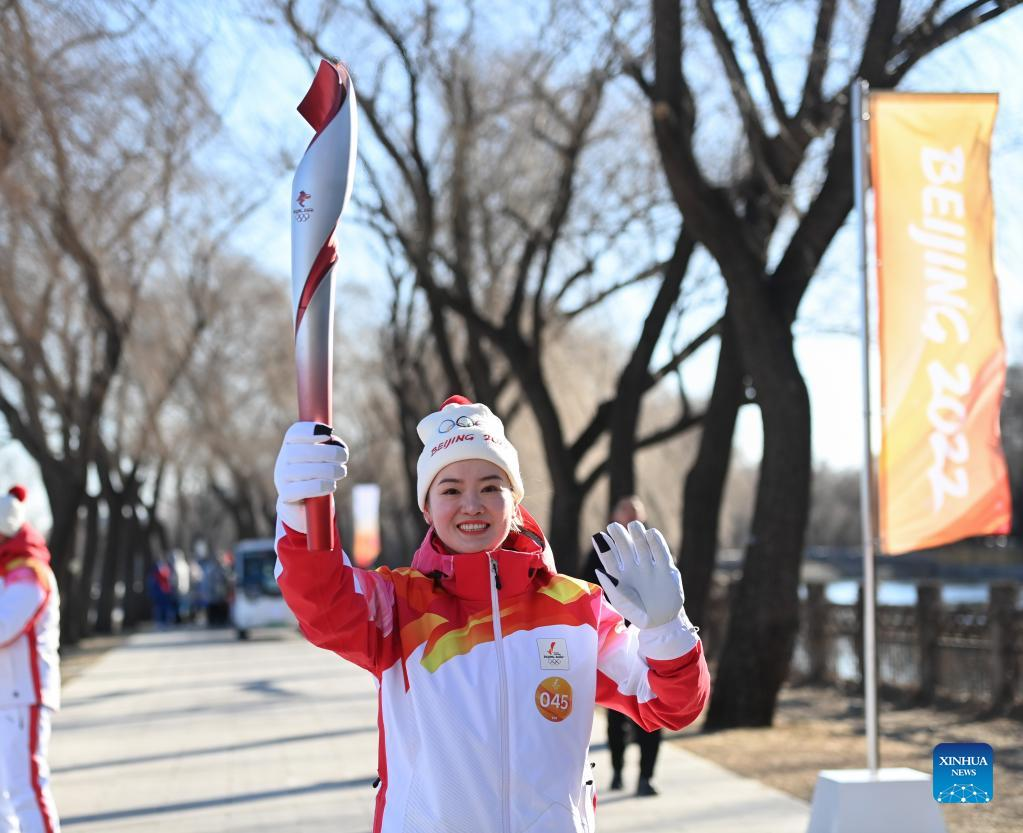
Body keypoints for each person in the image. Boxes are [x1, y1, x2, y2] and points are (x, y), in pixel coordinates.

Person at [274, 397, 710, 832]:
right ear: (427, 508)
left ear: (514, 501)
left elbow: (671, 706)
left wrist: (665, 630)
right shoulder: (398, 606)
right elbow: (323, 601)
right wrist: (301, 508)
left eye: (489, 487)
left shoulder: (578, 610)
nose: (472, 505)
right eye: (450, 490)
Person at [579, 496, 664, 797]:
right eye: (626, 514)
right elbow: (587, 589)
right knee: (618, 713)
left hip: (650, 639)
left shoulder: (655, 549)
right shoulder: (601, 549)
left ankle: (646, 777)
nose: (631, 520)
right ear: (614, 517)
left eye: (636, 515)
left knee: (653, 708)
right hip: (614, 640)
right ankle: (617, 771)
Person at [0, 485, 61, 833]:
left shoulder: (29, 573)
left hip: (24, 696)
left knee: (26, 791)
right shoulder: (7, 571)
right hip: (5, 697)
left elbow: (4, 626)